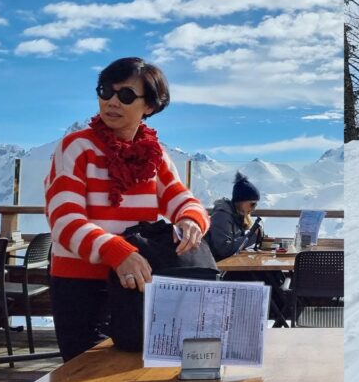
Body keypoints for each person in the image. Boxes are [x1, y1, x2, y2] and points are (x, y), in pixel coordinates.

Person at [44, 56, 210, 361]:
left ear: (150, 106)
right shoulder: (76, 147)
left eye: (126, 95)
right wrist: (117, 252)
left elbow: (182, 199)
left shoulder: (154, 154)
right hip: (81, 284)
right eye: (105, 91)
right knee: (81, 376)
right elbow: (63, 220)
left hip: (134, 281)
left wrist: (190, 220)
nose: (112, 102)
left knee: (133, 371)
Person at [204, 172, 265, 261]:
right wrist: (251, 236)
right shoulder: (222, 216)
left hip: (228, 264)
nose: (254, 208)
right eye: (252, 204)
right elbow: (224, 250)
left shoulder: (237, 215)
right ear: (241, 201)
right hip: (219, 268)